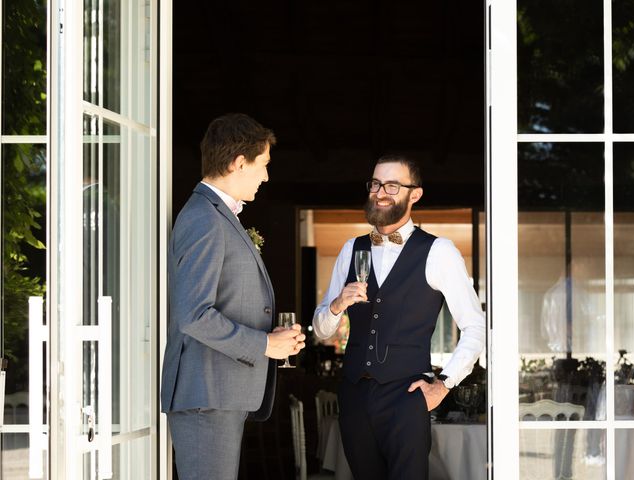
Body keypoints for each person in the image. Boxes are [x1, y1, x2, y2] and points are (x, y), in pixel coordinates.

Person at [313, 154, 485, 479]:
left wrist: (444, 384)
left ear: (414, 194)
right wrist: (336, 306)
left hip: (407, 397)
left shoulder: (439, 251)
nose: (380, 192)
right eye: (376, 184)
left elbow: (476, 328)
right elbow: (321, 329)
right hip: (354, 396)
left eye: (392, 185)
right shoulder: (352, 248)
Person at [161, 113, 306, 480]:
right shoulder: (204, 220)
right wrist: (263, 345)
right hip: (206, 396)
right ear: (239, 163)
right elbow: (193, 314)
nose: (267, 176)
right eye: (264, 165)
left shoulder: (216, 216)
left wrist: (273, 341)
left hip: (217, 396)